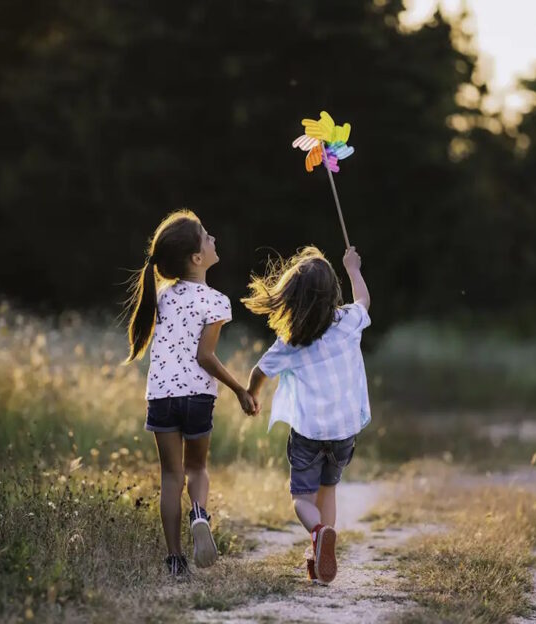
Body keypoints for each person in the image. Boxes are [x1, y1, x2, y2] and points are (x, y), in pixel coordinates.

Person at [125, 209, 256, 576]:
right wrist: (239, 389)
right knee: (197, 467)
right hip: (198, 396)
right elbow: (205, 356)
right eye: (208, 237)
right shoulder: (216, 301)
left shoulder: (161, 296)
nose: (214, 240)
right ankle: (200, 512)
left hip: (162, 396)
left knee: (171, 476)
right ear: (198, 258)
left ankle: (174, 559)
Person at [242, 245, 371, 584]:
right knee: (327, 491)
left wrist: (251, 396)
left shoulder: (291, 340)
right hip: (344, 431)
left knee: (301, 498)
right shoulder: (349, 322)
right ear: (332, 294)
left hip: (308, 434)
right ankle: (321, 549)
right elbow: (364, 302)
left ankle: (317, 533)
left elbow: (259, 371)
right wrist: (353, 269)